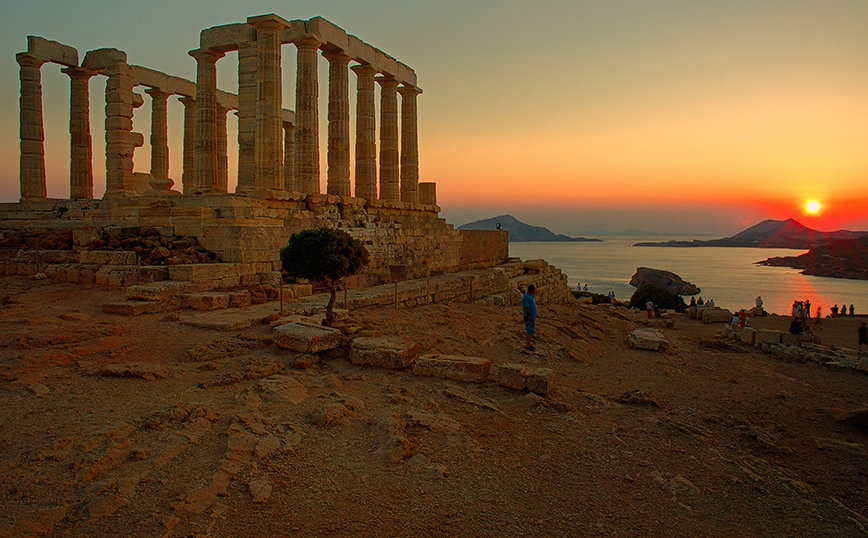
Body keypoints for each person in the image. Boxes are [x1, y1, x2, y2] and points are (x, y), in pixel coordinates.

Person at [522, 284, 538, 351]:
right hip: (529, 317)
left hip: (532, 316)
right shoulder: (527, 297)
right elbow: (527, 307)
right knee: (530, 331)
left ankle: (529, 343)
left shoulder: (530, 296)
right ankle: (528, 345)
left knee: (531, 330)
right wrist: (530, 316)